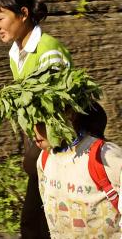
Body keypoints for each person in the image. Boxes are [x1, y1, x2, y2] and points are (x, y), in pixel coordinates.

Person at [0, 0, 72, 238]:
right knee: (36, 223)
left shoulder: (48, 51)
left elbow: (62, 108)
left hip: (62, 149)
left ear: (23, 14)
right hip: (42, 146)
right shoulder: (17, 52)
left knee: (41, 223)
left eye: (0, 18)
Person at [34, 102, 122, 238]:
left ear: (69, 115)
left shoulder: (104, 156)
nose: (34, 131)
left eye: (41, 121)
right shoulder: (45, 159)